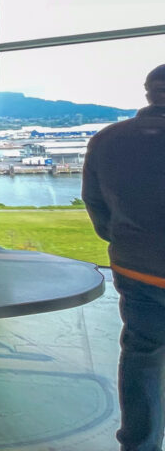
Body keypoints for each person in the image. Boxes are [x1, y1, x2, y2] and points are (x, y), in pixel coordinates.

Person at [82, 64, 165, 451]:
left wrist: (122, 239)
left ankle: (140, 444)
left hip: (138, 269)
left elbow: (96, 205)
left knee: (142, 357)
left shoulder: (107, 140)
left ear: (148, 93)